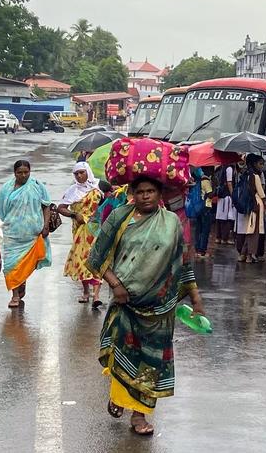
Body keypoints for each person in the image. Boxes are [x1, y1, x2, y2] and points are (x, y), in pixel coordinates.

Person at [88, 176, 207, 436]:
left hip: (160, 309)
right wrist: (115, 285)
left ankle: (138, 414)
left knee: (151, 362)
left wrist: (196, 298)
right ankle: (119, 396)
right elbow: (96, 257)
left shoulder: (171, 223)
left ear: (160, 193)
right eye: (140, 191)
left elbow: (183, 262)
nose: (145, 196)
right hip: (126, 303)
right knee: (125, 354)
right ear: (132, 192)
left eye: (151, 191)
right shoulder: (120, 218)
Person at [0, 159, 53, 308]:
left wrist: (45, 225)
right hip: (12, 234)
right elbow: (1, 212)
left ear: (30, 171)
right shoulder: (6, 189)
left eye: (26, 172)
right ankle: (15, 295)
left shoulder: (37, 186)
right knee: (11, 265)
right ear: (14, 173)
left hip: (32, 234)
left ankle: (21, 281)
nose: (23, 175)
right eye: (19, 173)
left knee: (26, 264)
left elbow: (46, 206)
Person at [58, 162, 104, 306]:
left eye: (81, 172)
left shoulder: (100, 186)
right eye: (76, 174)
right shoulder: (73, 190)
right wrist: (74, 214)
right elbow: (61, 208)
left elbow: (112, 199)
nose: (79, 176)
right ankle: (85, 291)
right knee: (82, 259)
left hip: (97, 229)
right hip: (80, 230)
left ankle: (96, 295)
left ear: (88, 172)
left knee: (97, 259)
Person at [236, 154, 266, 263]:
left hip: (247, 204)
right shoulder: (255, 176)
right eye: (260, 164)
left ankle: (243, 254)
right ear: (254, 164)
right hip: (256, 205)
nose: (262, 166)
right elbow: (261, 194)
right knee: (254, 232)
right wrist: (265, 202)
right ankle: (250, 255)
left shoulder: (244, 174)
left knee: (249, 230)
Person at [189, 167, 215, 259]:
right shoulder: (206, 180)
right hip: (206, 207)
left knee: (198, 229)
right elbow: (210, 194)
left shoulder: (196, 180)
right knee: (205, 230)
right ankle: (202, 251)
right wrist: (214, 187)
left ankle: (197, 249)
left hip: (198, 207)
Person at [214, 162, 238, 245]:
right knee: (227, 218)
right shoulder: (229, 168)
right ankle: (225, 238)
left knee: (219, 217)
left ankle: (218, 237)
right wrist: (233, 195)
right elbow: (229, 183)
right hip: (226, 196)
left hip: (221, 196)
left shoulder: (222, 167)